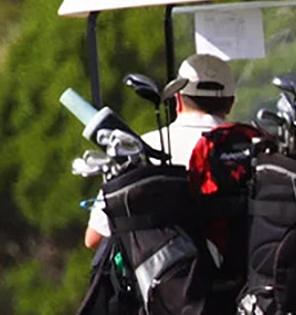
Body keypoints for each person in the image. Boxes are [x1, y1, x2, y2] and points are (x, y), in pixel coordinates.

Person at [81, 53, 235, 248]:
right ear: (230, 103)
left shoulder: (142, 148)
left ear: (177, 99)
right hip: (249, 273)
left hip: (166, 275)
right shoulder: (252, 145)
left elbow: (95, 238)